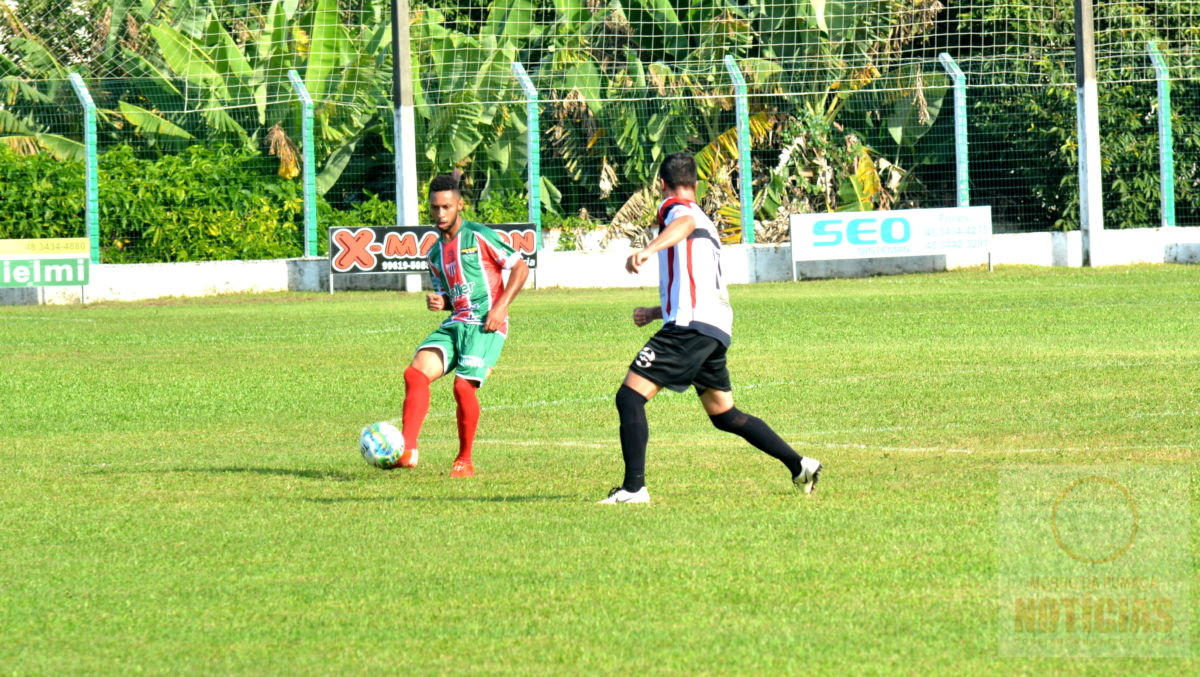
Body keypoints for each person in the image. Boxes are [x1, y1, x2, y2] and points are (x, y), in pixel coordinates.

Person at [599, 152, 822, 504]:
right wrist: (658, 311)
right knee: (725, 415)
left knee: (629, 397)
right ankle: (800, 465)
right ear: (697, 184)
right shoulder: (706, 220)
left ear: (662, 185)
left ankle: (633, 488)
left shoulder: (677, 209)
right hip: (712, 326)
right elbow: (697, 280)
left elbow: (682, 221)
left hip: (691, 327)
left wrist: (648, 249)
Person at [396, 173, 530, 478]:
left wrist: (501, 307)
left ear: (460, 205)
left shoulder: (479, 235)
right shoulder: (433, 253)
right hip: (456, 322)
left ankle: (464, 459)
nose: (440, 214)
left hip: (486, 324)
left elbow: (520, 268)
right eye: (435, 208)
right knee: (415, 373)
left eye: (446, 207)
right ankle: (407, 450)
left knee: (462, 386)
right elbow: (450, 295)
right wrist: (441, 302)